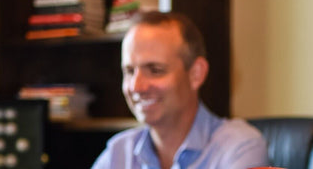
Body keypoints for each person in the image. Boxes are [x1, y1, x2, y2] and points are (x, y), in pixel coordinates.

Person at [91, 11, 268, 169]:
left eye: (155, 70)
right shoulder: (119, 152)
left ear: (196, 74)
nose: (136, 87)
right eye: (130, 71)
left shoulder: (240, 147)